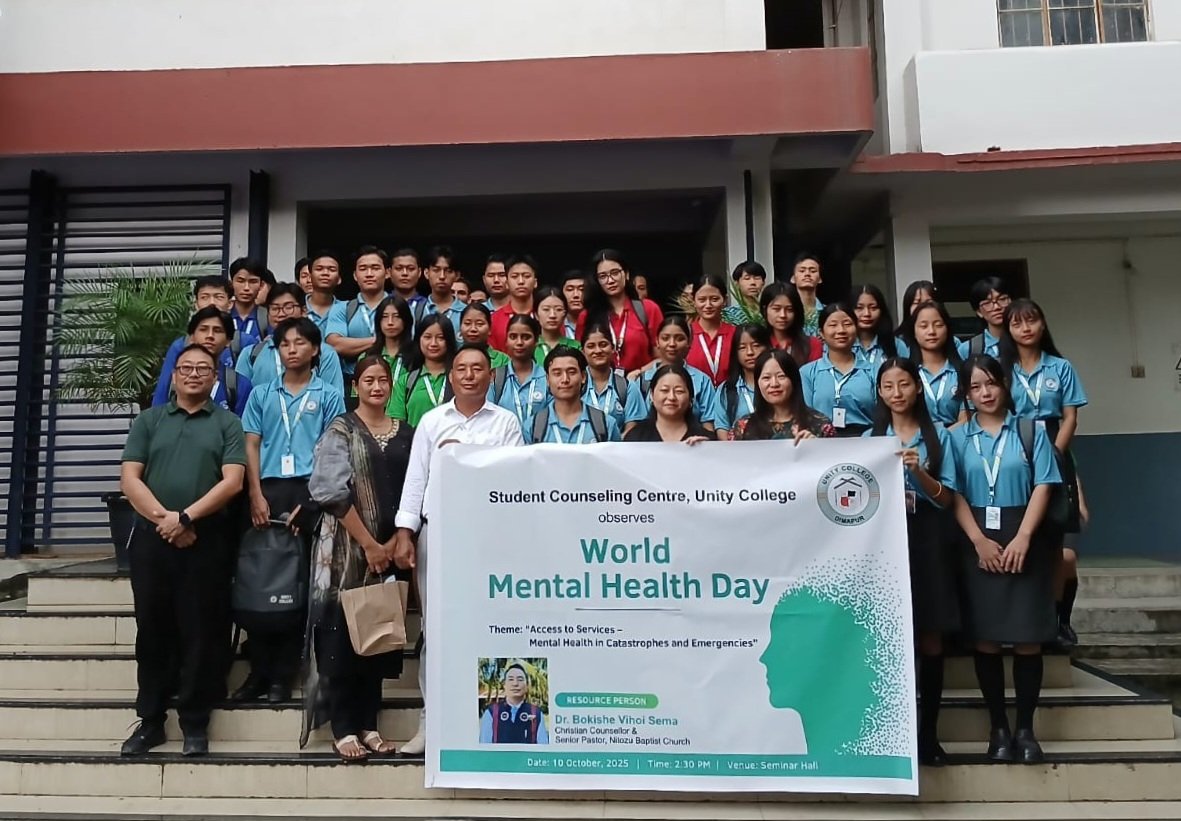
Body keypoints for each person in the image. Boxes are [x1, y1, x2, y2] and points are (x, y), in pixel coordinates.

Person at [393, 345, 525, 755]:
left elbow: (513, 477)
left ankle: (486, 719)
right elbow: (416, 479)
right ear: (450, 377)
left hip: (488, 537)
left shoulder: (506, 422)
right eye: (462, 369)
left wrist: (466, 456)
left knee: (489, 624)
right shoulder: (432, 421)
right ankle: (431, 722)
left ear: (491, 376)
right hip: (438, 533)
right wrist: (405, 533)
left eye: (478, 368)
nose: (469, 375)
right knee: (435, 628)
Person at [118, 343, 246, 757]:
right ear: (173, 376)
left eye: (203, 369)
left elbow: (233, 481)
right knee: (152, 631)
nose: (194, 374)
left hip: (206, 541)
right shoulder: (149, 420)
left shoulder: (227, 423)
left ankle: (194, 722)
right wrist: (167, 521)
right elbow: (130, 479)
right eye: (186, 368)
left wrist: (187, 518)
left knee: (201, 632)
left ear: (214, 378)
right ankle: (151, 720)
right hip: (153, 541)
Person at [950, 354, 1061, 764]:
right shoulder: (956, 437)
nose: (985, 393)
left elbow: (1044, 484)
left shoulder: (1031, 430)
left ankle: (1026, 730)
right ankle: (998, 728)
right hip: (977, 536)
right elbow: (952, 491)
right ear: (966, 393)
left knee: (1028, 638)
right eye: (975, 387)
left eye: (991, 383)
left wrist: (1023, 538)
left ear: (1005, 385)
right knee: (987, 637)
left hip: (1023, 533)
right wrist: (978, 540)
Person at [307, 355, 415, 761]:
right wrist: (369, 544)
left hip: (395, 550)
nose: (376, 387)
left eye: (383, 380)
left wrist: (398, 540)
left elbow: (417, 487)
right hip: (346, 553)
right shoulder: (340, 430)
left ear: (391, 386)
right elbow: (328, 490)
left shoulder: (406, 432)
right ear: (356, 386)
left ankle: (369, 725)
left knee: (378, 637)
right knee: (342, 640)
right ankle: (344, 728)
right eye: (368, 380)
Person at [238, 317, 346, 703]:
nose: (292, 349)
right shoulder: (262, 394)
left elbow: (332, 450)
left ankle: (283, 675)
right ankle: (257, 672)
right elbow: (251, 444)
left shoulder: (328, 394)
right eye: (285, 344)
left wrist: (312, 501)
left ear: (315, 350)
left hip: (309, 492)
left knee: (296, 585)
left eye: (300, 343)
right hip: (266, 491)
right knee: (259, 581)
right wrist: (254, 494)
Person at [865, 357, 959, 766]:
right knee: (890, 637)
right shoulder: (869, 438)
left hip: (928, 538)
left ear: (917, 387)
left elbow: (947, 499)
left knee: (930, 636)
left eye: (904, 384)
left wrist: (919, 473)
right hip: (883, 542)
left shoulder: (940, 437)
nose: (897, 393)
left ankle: (929, 734)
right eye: (888, 386)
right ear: (880, 392)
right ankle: (893, 733)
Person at [999, 298, 1087, 645]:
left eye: (1032, 320)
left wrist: (1051, 456)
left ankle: (1054, 622)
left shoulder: (1060, 367)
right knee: (1015, 536)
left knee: (1054, 547)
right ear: (1008, 329)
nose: (1026, 328)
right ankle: (1017, 619)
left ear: (1042, 323)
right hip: (1011, 450)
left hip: (1053, 445)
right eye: (1017, 323)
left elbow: (1070, 418)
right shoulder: (1002, 369)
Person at [235, 283, 345, 394]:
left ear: (304, 311)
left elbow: (334, 397)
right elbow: (241, 397)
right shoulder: (251, 354)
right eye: (274, 308)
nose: (281, 314)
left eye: (288, 307)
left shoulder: (325, 353)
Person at [623, 315, 716, 435]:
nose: (672, 344)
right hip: (649, 443)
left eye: (679, 338)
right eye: (665, 338)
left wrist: (706, 441)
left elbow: (708, 425)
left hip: (693, 443)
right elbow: (634, 426)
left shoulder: (702, 381)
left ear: (689, 342)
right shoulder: (641, 381)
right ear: (657, 342)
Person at [578, 249, 664, 375]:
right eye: (603, 276)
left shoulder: (648, 309)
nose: (610, 280)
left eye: (615, 273)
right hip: (603, 383)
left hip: (642, 381)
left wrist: (640, 373)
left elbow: (663, 358)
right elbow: (582, 361)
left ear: (626, 274)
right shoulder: (586, 316)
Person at [153, 307, 252, 416]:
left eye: (217, 330)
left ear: (228, 341)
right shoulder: (174, 378)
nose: (210, 336)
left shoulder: (239, 385)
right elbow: (156, 416)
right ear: (191, 338)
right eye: (203, 329)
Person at [801, 304, 877, 437]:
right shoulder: (808, 373)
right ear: (821, 333)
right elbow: (805, 415)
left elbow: (883, 415)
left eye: (847, 324)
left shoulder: (874, 371)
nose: (841, 330)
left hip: (866, 441)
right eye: (833, 325)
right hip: (821, 442)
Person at [154, 276, 235, 399]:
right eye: (205, 297)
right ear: (196, 304)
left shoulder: (242, 342)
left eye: (218, 297)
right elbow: (163, 391)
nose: (211, 303)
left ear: (230, 303)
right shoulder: (180, 346)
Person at [733, 349, 835, 442]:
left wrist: (817, 446)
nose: (774, 384)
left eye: (781, 376)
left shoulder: (820, 425)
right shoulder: (743, 427)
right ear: (757, 383)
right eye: (766, 378)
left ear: (794, 380)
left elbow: (833, 456)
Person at [525, 347, 621, 444]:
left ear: (583, 376)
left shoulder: (606, 424)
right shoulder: (532, 427)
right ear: (547, 379)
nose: (565, 379)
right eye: (557, 373)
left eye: (571, 372)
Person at [902, 301, 967, 427]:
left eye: (938, 325)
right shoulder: (905, 373)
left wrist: (941, 436)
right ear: (913, 331)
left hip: (957, 436)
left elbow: (966, 419)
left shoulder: (963, 371)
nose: (931, 331)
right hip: (918, 437)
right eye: (924, 326)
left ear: (947, 329)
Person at [330, 246, 391, 374]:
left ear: (387, 273)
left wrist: (354, 344)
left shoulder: (400, 308)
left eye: (375, 268)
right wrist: (379, 340)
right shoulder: (342, 308)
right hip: (352, 379)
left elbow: (406, 345)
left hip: (394, 379)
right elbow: (335, 345)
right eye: (363, 269)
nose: (369, 274)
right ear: (355, 275)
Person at [389, 313, 458, 427]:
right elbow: (395, 425)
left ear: (449, 341)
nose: (433, 343)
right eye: (427, 337)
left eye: (440, 338)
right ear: (419, 339)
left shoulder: (459, 378)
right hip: (414, 438)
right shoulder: (406, 381)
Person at [623, 364, 713, 443]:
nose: (671, 397)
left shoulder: (706, 440)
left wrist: (705, 449)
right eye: (664, 390)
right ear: (651, 395)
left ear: (691, 398)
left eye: (679, 391)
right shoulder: (635, 438)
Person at [712, 324, 772, 440]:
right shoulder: (726, 389)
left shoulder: (777, 385)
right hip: (738, 450)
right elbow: (722, 428)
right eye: (742, 347)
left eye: (756, 345)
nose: (750, 352)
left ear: (767, 347)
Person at [489, 314, 549, 426]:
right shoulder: (495, 377)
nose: (519, 342)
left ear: (536, 341)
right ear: (506, 341)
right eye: (513, 337)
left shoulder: (547, 378)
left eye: (526, 337)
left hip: (539, 437)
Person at [685, 273, 736, 387]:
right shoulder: (686, 334)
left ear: (725, 300)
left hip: (729, 395)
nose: (708, 305)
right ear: (693, 301)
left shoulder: (736, 334)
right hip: (696, 396)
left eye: (714, 299)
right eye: (702, 300)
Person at [479, 663, 550, 744]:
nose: (515, 684)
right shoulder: (492, 713)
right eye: (511, 679)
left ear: (527, 686)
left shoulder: (536, 713)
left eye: (520, 679)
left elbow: (543, 746)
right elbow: (484, 746)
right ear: (504, 685)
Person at [580, 321, 630, 429]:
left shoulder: (627, 387)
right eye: (591, 346)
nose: (598, 350)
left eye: (603, 345)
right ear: (583, 352)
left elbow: (632, 427)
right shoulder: (574, 385)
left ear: (613, 348)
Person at [759, 282, 822, 365]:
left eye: (789, 309)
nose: (783, 315)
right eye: (776, 309)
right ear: (765, 310)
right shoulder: (758, 344)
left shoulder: (812, 344)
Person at [488, 254, 539, 351]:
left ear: (535, 282)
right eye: (515, 276)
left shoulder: (546, 316)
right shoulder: (494, 320)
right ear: (507, 283)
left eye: (526, 276)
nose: (521, 281)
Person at [365, 294, 413, 391]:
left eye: (396, 316)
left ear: (406, 320)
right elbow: (356, 393)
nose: (390, 322)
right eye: (385, 316)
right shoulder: (367, 356)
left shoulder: (417, 356)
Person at [415, 245, 465, 333]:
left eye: (448, 271)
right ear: (426, 273)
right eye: (436, 270)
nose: (442, 276)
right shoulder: (415, 310)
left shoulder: (465, 312)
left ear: (457, 275)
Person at [850, 284, 899, 370]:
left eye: (873, 308)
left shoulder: (896, 344)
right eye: (859, 308)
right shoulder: (841, 344)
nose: (867, 314)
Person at [228, 257, 270, 354]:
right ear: (231, 283)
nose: (246, 288)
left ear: (261, 285)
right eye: (240, 281)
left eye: (253, 281)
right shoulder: (222, 316)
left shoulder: (267, 317)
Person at [967, 277, 1014, 358]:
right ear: (979, 312)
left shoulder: (1027, 340)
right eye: (987, 303)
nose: (996, 307)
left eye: (1002, 299)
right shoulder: (969, 349)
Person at [534, 286, 580, 364]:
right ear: (536, 315)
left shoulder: (577, 347)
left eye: (558, 309)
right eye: (546, 309)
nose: (552, 315)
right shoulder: (530, 348)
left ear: (565, 314)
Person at [305, 251, 347, 336]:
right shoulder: (296, 306)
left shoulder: (347, 309)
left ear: (339, 279)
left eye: (332, 270)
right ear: (309, 277)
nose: (325, 273)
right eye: (319, 269)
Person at [458, 302, 510, 368]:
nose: (473, 329)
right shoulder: (453, 358)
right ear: (460, 327)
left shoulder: (502, 360)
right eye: (467, 323)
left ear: (490, 329)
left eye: (479, 324)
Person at [789, 252, 824, 337]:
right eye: (802, 271)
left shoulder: (827, 312)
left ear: (820, 279)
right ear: (793, 278)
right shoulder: (786, 312)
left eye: (813, 271)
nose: (807, 274)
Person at [722, 260, 766, 325]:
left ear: (763, 282)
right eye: (747, 278)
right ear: (736, 284)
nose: (753, 282)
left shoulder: (768, 312)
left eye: (757, 278)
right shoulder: (729, 315)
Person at [560, 269, 585, 336]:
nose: (576, 295)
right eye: (570, 289)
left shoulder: (599, 323)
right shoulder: (555, 325)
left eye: (582, 289)